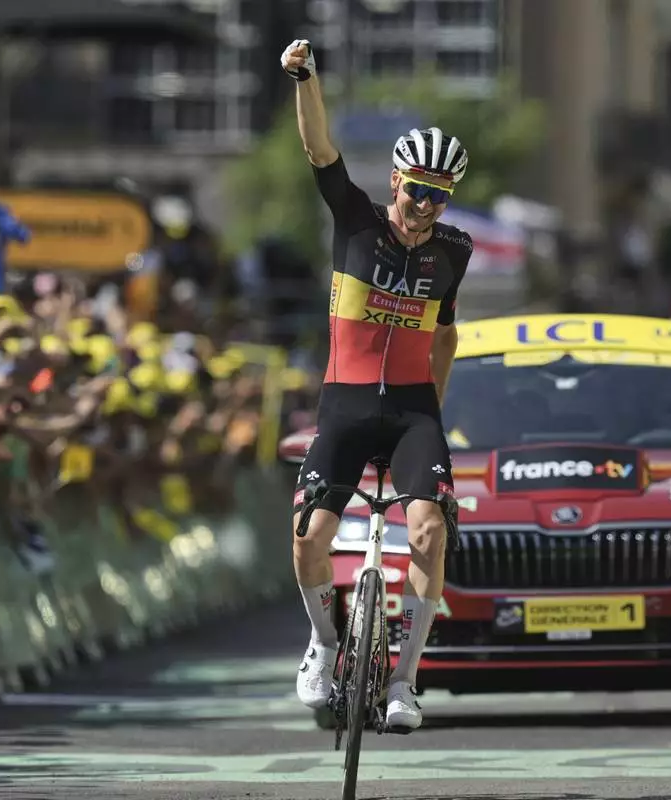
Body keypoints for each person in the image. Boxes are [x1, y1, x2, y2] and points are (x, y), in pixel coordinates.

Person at [280, 38, 473, 730]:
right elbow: (319, 148)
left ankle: (404, 682)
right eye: (417, 189)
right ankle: (324, 643)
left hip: (414, 412)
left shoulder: (455, 251)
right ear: (396, 181)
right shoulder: (356, 220)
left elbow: (445, 335)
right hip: (347, 403)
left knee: (428, 531)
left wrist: (434, 413)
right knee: (310, 533)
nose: (426, 204)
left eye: (439, 195)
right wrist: (306, 77)